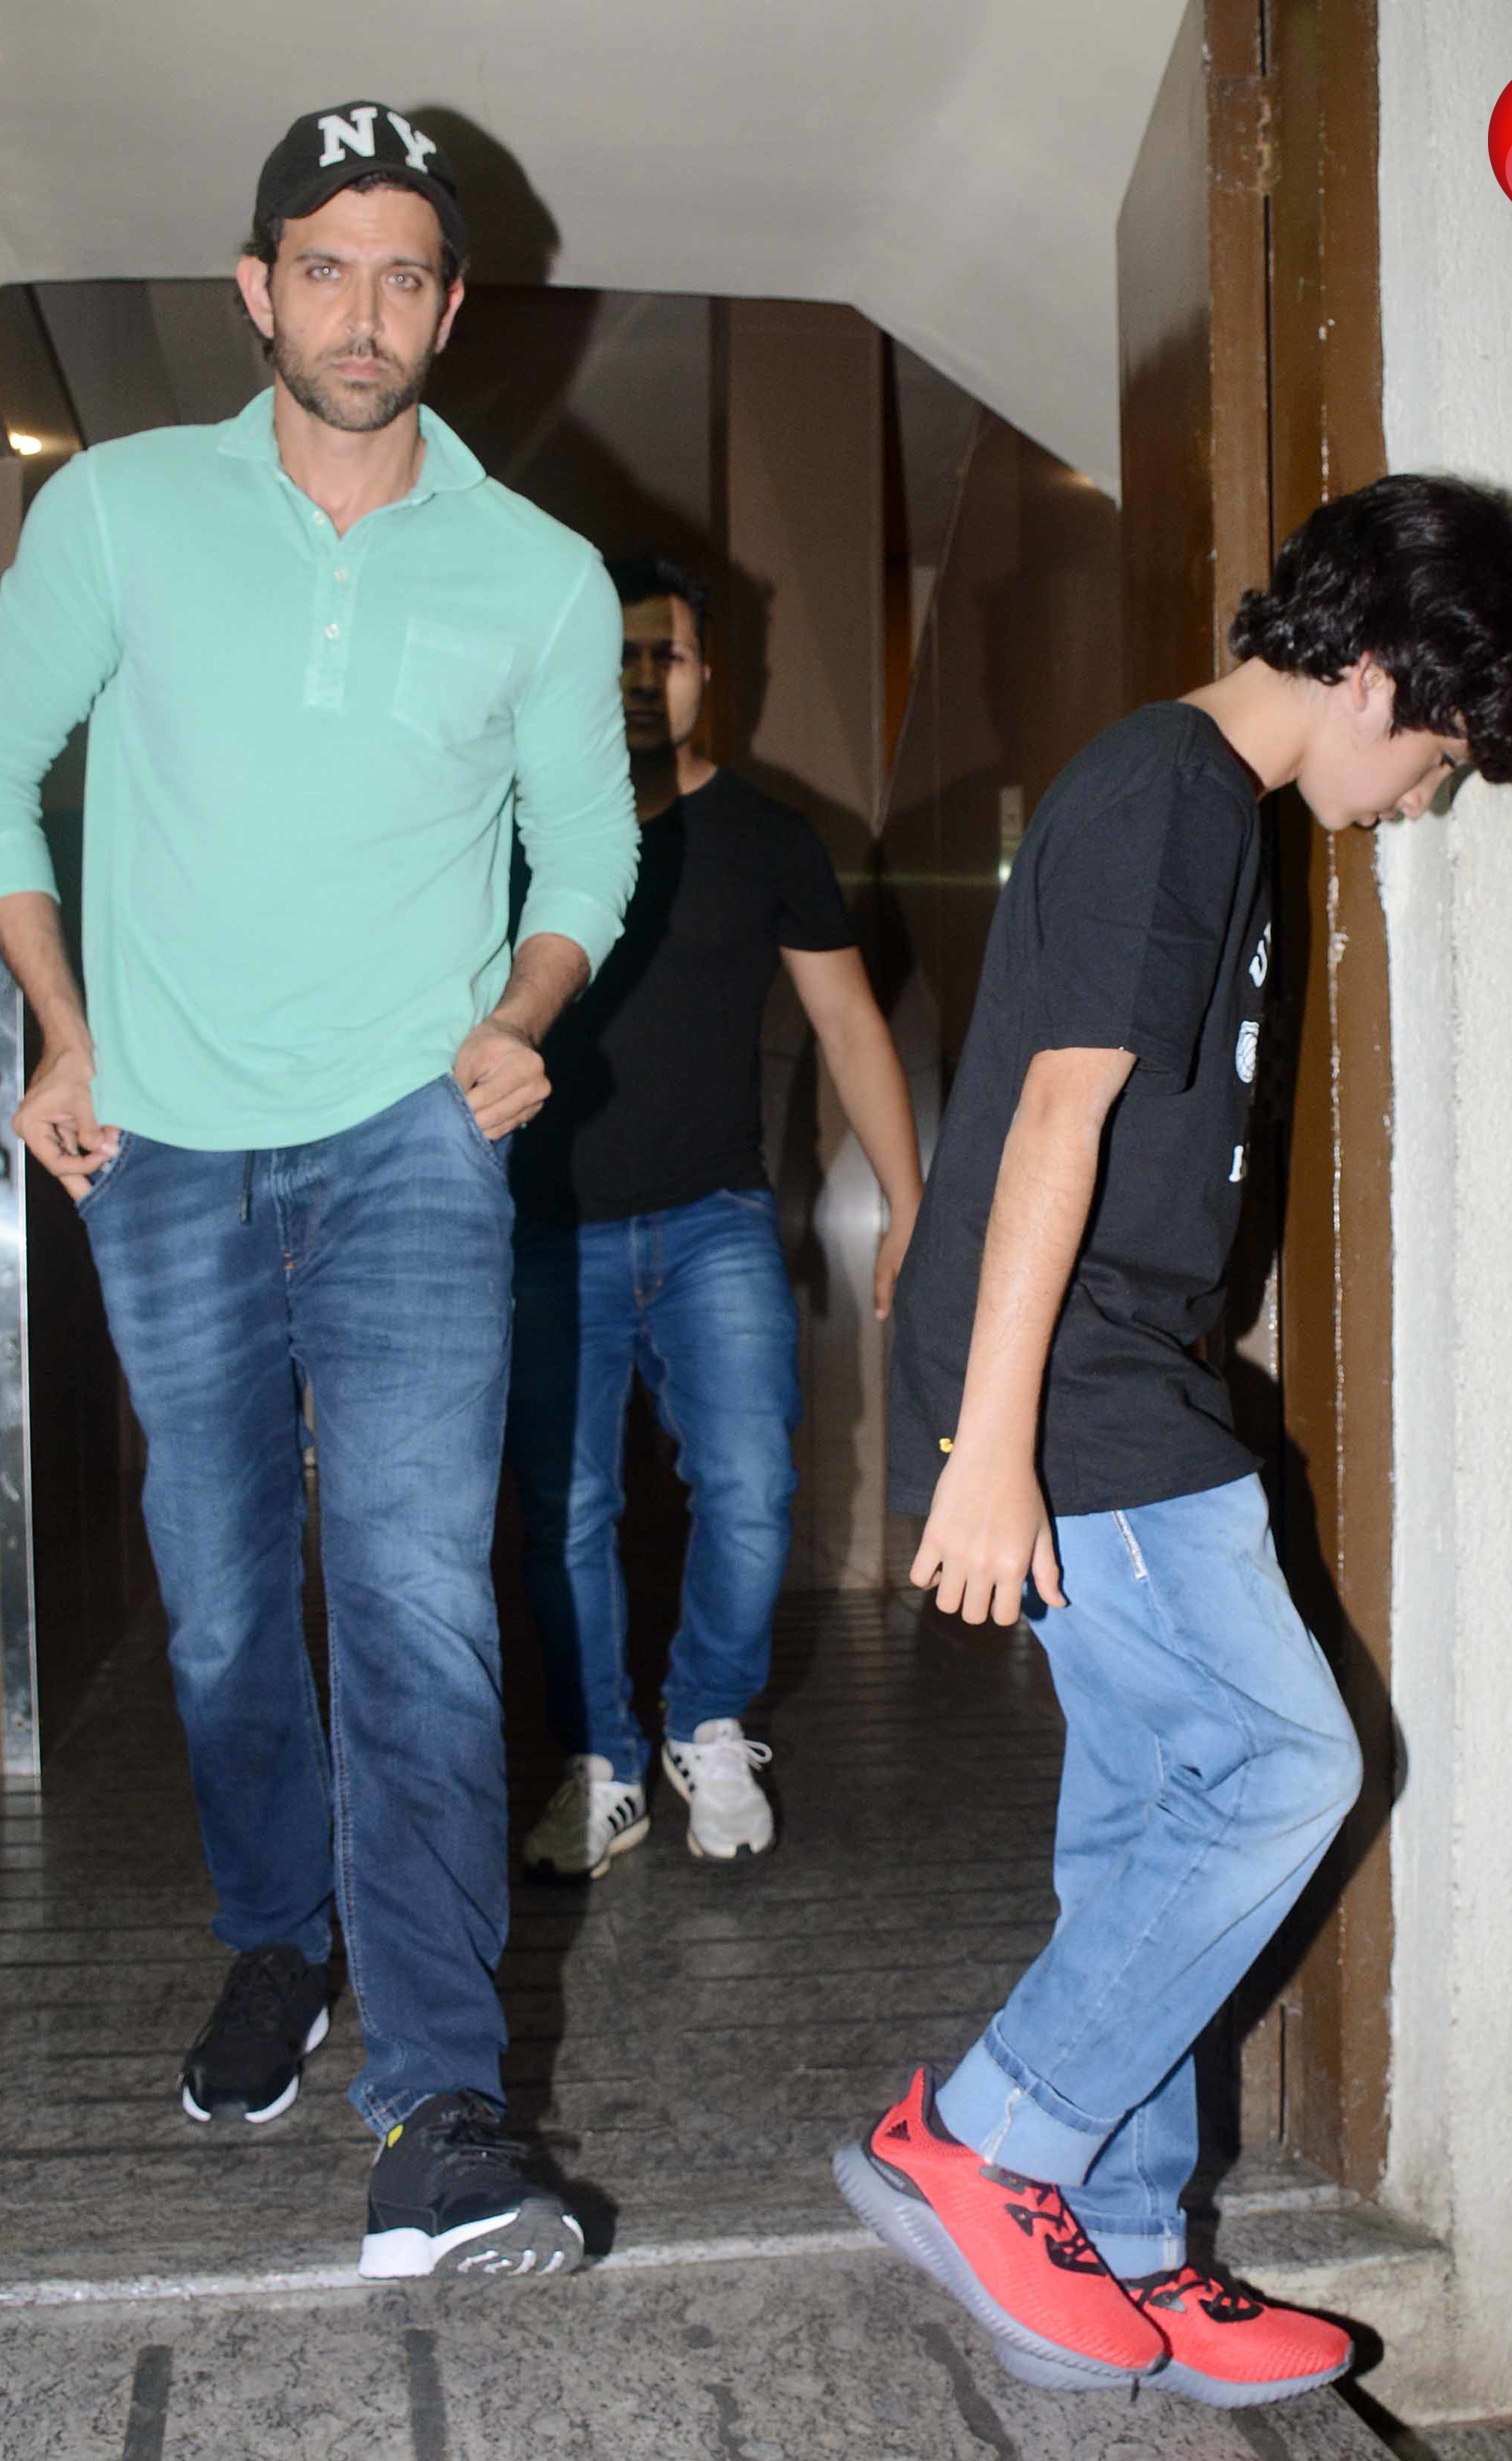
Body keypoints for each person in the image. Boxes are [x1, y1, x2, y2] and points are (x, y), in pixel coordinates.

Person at [0, 100, 639, 2282]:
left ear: (448, 307)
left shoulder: (538, 570)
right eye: (320, 267)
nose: (362, 309)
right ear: (257, 291)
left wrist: (526, 1008)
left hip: (419, 1127)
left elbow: (591, 853)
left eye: (402, 274)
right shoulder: (124, 515)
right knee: (227, 1599)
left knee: (419, 1591)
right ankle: (273, 1935)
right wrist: (58, 1024)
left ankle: (442, 2107)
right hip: (157, 1133)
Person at [834, 476, 1512, 2406]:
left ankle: (1134, 2239)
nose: (1427, 798)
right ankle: (994, 2136)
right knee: (1285, 1763)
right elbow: (1057, 1127)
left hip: (1105, 1367)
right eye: (1443, 754)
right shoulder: (1171, 800)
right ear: (1380, 673)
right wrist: (995, 1451)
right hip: (1076, 1382)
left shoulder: (1207, 810)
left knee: (1158, 1813)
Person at [507, 553, 923, 1876]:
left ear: (704, 675)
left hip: (715, 1222)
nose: (640, 680)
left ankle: (708, 1719)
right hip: (549, 1222)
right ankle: (603, 1763)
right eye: (618, 656)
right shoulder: (516, 824)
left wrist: (910, 1201)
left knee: (751, 1488)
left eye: (665, 656)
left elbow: (851, 1025)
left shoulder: (766, 836)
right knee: (565, 1508)